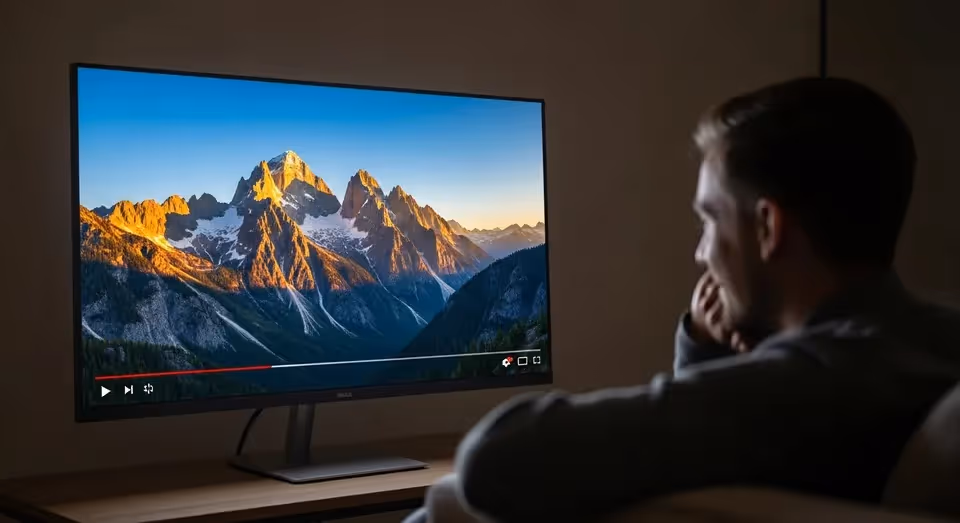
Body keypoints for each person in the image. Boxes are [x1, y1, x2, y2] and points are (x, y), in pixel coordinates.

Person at [403, 77, 960, 523]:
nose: (701, 253)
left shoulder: (814, 386)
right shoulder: (927, 344)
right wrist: (711, 355)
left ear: (768, 228)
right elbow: (716, 450)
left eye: (710, 220)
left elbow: (496, 459)